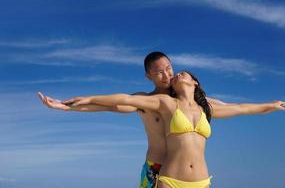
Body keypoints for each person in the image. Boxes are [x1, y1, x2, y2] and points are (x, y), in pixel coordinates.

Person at [66, 70, 285, 188]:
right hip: (170, 180)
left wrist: (271, 105)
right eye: (175, 75)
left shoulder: (207, 110)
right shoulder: (166, 104)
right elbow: (124, 99)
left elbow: (242, 108)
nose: (177, 75)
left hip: (201, 182)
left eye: (183, 73)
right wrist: (87, 98)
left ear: (195, 83)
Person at [38, 51, 228, 188]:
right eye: (159, 72)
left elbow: (222, 106)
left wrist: (258, 108)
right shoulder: (144, 100)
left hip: (186, 176)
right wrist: (66, 107)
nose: (167, 75)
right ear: (149, 76)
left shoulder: (190, 100)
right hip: (155, 170)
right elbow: (111, 105)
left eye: (169, 68)